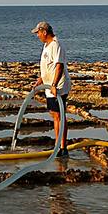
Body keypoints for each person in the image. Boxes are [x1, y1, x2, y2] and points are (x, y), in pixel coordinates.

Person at [32, 21, 70, 156]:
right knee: (54, 115)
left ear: (44, 32)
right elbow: (49, 66)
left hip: (58, 86)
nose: (37, 36)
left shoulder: (56, 45)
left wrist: (54, 85)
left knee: (59, 115)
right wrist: (41, 79)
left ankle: (62, 147)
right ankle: (57, 145)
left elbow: (59, 66)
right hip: (49, 86)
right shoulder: (46, 46)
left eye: (38, 33)